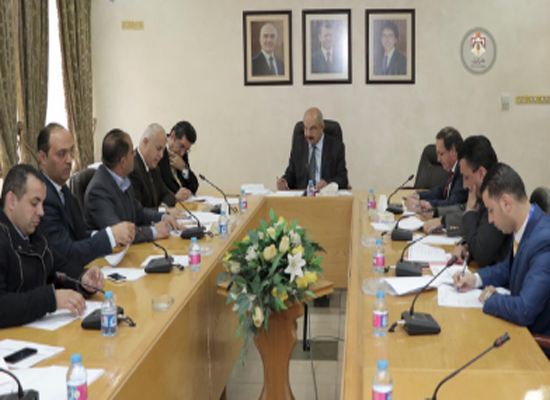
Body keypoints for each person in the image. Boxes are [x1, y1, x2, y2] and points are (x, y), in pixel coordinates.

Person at [454, 163, 550, 359]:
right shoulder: (526, 226)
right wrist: (475, 279)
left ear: (506, 203)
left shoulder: (544, 241)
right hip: (517, 333)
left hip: (536, 351)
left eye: (490, 210)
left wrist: (491, 298)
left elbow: (524, 310)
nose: (489, 220)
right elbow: (509, 268)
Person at [0, 164, 104, 329]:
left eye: (42, 203)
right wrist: (51, 299)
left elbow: (56, 264)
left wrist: (82, 278)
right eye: (34, 203)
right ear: (11, 201)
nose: (41, 212)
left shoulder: (35, 232)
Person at [37, 123, 135, 267]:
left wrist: (108, 236)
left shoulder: (63, 190)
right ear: (43, 157)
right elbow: (66, 253)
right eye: (61, 154)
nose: (69, 160)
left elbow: (80, 235)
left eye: (71, 152)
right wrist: (109, 237)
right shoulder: (41, 198)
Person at [424, 136, 512, 267]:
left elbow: (481, 254)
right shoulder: (488, 192)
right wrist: (464, 246)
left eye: (466, 177)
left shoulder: (497, 197)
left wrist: (470, 211)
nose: (465, 186)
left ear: (481, 174)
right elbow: (480, 231)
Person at [84, 129, 180, 243]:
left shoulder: (123, 180)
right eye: (131, 152)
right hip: (111, 253)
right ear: (123, 162)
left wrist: (163, 216)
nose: (135, 154)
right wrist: (153, 231)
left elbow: (139, 212)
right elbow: (119, 233)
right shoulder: (98, 190)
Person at [277, 107, 348, 191]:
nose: (307, 134)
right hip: (303, 196)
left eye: (312, 129)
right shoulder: (298, 145)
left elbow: (343, 179)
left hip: (325, 196)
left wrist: (328, 184)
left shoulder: (336, 147)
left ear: (322, 128)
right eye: (305, 128)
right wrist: (285, 182)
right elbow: (291, 174)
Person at [404, 127, 468, 216]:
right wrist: (418, 196)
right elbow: (440, 191)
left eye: (441, 154)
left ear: (453, 151)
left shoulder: (463, 171)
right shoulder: (450, 168)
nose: (438, 159)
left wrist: (426, 204)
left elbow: (452, 204)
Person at [129, 123, 188, 208]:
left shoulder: (154, 168)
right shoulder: (132, 168)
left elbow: (166, 194)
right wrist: (163, 211)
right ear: (145, 142)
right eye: (158, 149)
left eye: (163, 150)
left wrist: (163, 206)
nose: (161, 155)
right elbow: (139, 211)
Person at [158, 121, 198, 197]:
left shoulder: (182, 153)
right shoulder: (158, 149)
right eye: (181, 146)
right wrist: (176, 195)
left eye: (186, 150)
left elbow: (194, 186)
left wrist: (183, 168)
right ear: (172, 135)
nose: (182, 153)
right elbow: (160, 186)